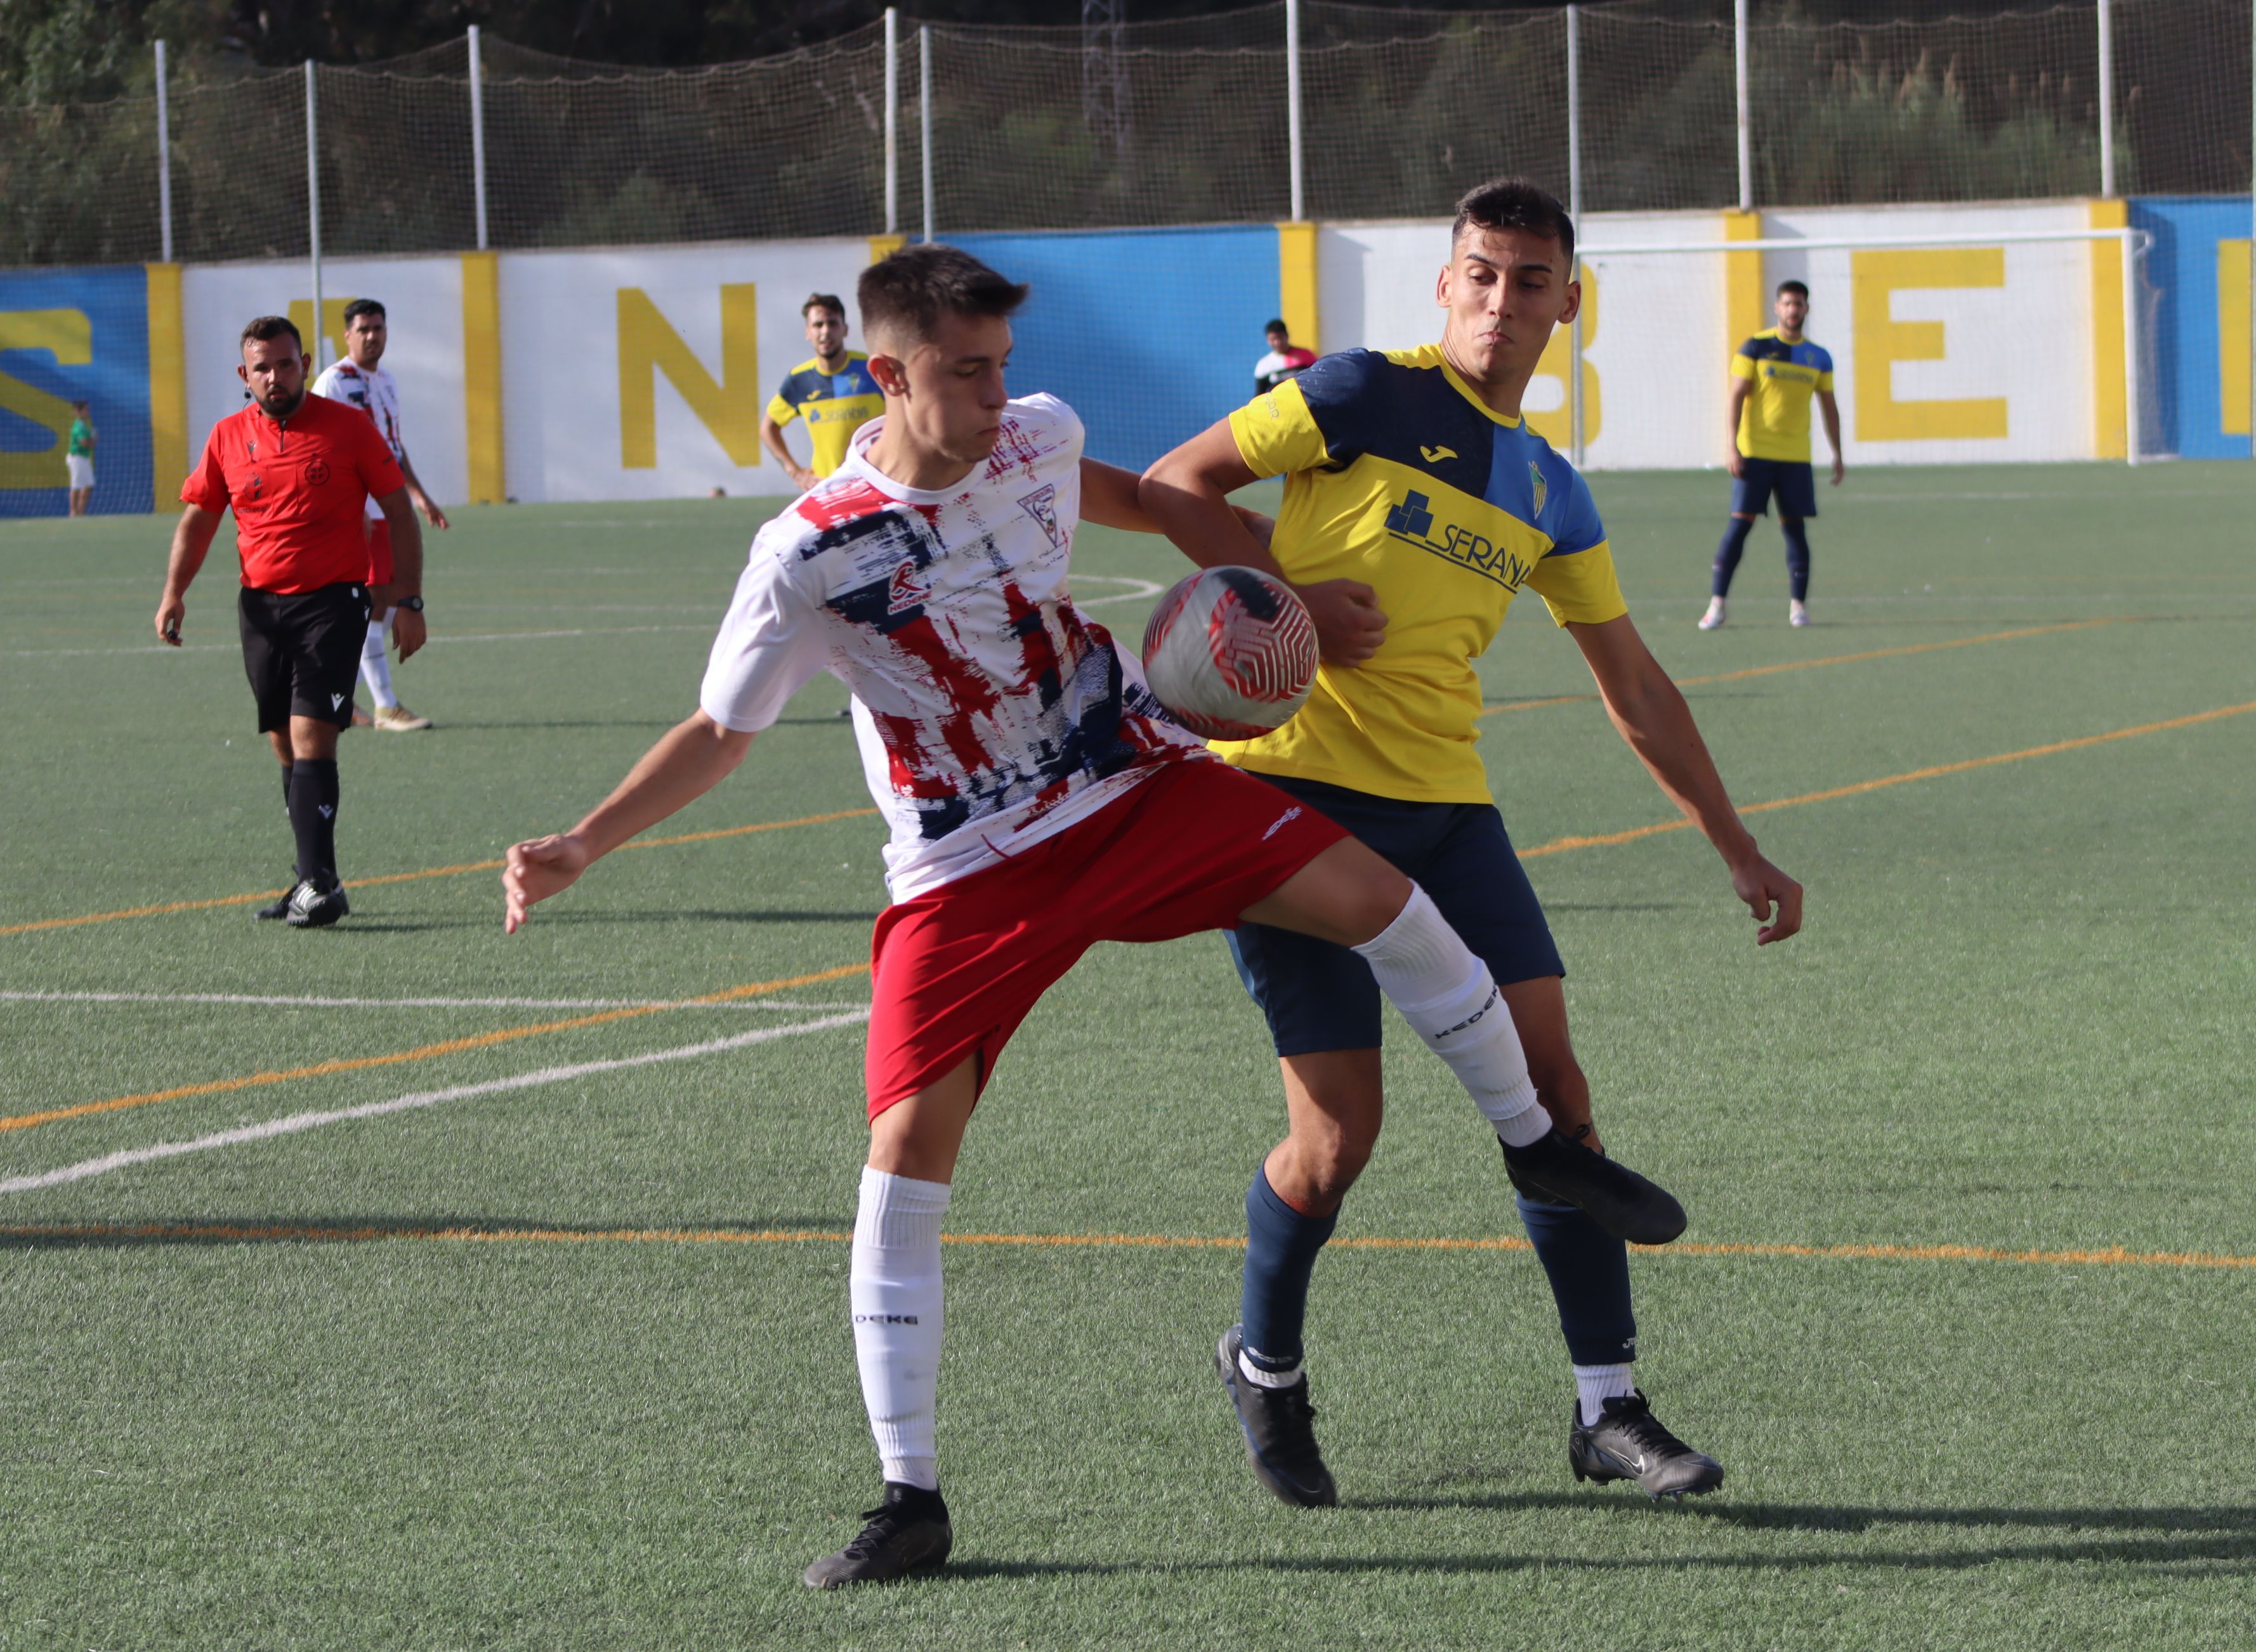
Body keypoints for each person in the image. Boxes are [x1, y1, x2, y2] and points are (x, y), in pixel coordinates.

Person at [499, 245, 1681, 1587]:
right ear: (887, 375)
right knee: (903, 1156)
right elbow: (722, 730)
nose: (1003, 395)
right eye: (966, 371)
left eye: (1005, 364)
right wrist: (585, 839)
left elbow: (1138, 495)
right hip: (966, 867)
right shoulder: (807, 552)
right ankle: (911, 1495)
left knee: (1383, 900)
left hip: (1129, 778)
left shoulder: (1035, 438)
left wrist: (1276, 598)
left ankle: (1539, 1147)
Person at [1144, 177, 1803, 1508]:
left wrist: (1735, 842)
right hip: (1291, 805)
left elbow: (1634, 682)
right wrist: (1294, 607)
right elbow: (1177, 485)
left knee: (1560, 1101)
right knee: (1339, 1138)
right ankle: (1262, 1359)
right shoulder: (1354, 394)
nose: (1504, 302)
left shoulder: (1552, 488)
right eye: (1482, 275)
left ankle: (1607, 1405)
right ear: (1447, 285)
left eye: (1532, 280)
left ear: (1572, 302)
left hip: (1449, 812)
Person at [155, 316, 427, 927]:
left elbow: (397, 512)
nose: (274, 377)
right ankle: (308, 876)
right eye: (262, 368)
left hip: (333, 602)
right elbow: (199, 520)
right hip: (260, 607)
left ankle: (322, 886)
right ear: (243, 375)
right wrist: (174, 592)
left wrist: (408, 600)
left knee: (310, 736)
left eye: (284, 364)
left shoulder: (348, 429)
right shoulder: (227, 437)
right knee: (282, 740)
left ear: (305, 363)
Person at [312, 298, 450, 731]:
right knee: (374, 602)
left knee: (382, 602)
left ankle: (337, 701)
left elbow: (393, 445)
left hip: (388, 505)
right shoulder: (333, 382)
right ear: (348, 335)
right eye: (364, 329)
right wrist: (345, 505)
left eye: (378, 328)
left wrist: (419, 495)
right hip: (358, 508)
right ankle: (385, 705)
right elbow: (317, 447)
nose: (373, 336)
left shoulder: (386, 380)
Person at [1703, 279, 1842, 631]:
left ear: (1807, 309)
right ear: (1777, 308)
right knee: (1740, 526)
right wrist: (1732, 446)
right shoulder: (1755, 347)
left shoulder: (1819, 357)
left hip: (1796, 457)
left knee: (1795, 530)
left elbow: (1829, 407)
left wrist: (1837, 453)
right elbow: (1736, 396)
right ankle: (1717, 605)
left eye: (1799, 304)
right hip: (1756, 455)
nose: (1793, 310)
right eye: (1787, 304)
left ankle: (1798, 607)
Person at [759, 292, 884, 491]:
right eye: (818, 325)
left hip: (875, 486)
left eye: (833, 324)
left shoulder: (872, 369)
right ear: (808, 332)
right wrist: (796, 473)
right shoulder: (799, 379)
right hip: (828, 490)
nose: (825, 332)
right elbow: (768, 428)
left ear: (845, 330)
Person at [1252, 318, 1318, 398]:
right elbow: (1259, 396)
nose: (1277, 342)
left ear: (1287, 336)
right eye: (1273, 339)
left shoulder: (1306, 356)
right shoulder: (1263, 365)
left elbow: (1317, 381)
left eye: (1280, 337)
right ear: (1268, 340)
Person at [65, 400, 95, 516]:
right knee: (76, 485)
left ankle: (81, 511)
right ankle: (73, 511)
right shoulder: (78, 426)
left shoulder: (85, 426)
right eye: (86, 410)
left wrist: (92, 440)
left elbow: (88, 442)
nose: (88, 412)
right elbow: (84, 443)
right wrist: (93, 441)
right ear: (78, 412)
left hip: (84, 458)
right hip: (77, 458)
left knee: (89, 485)